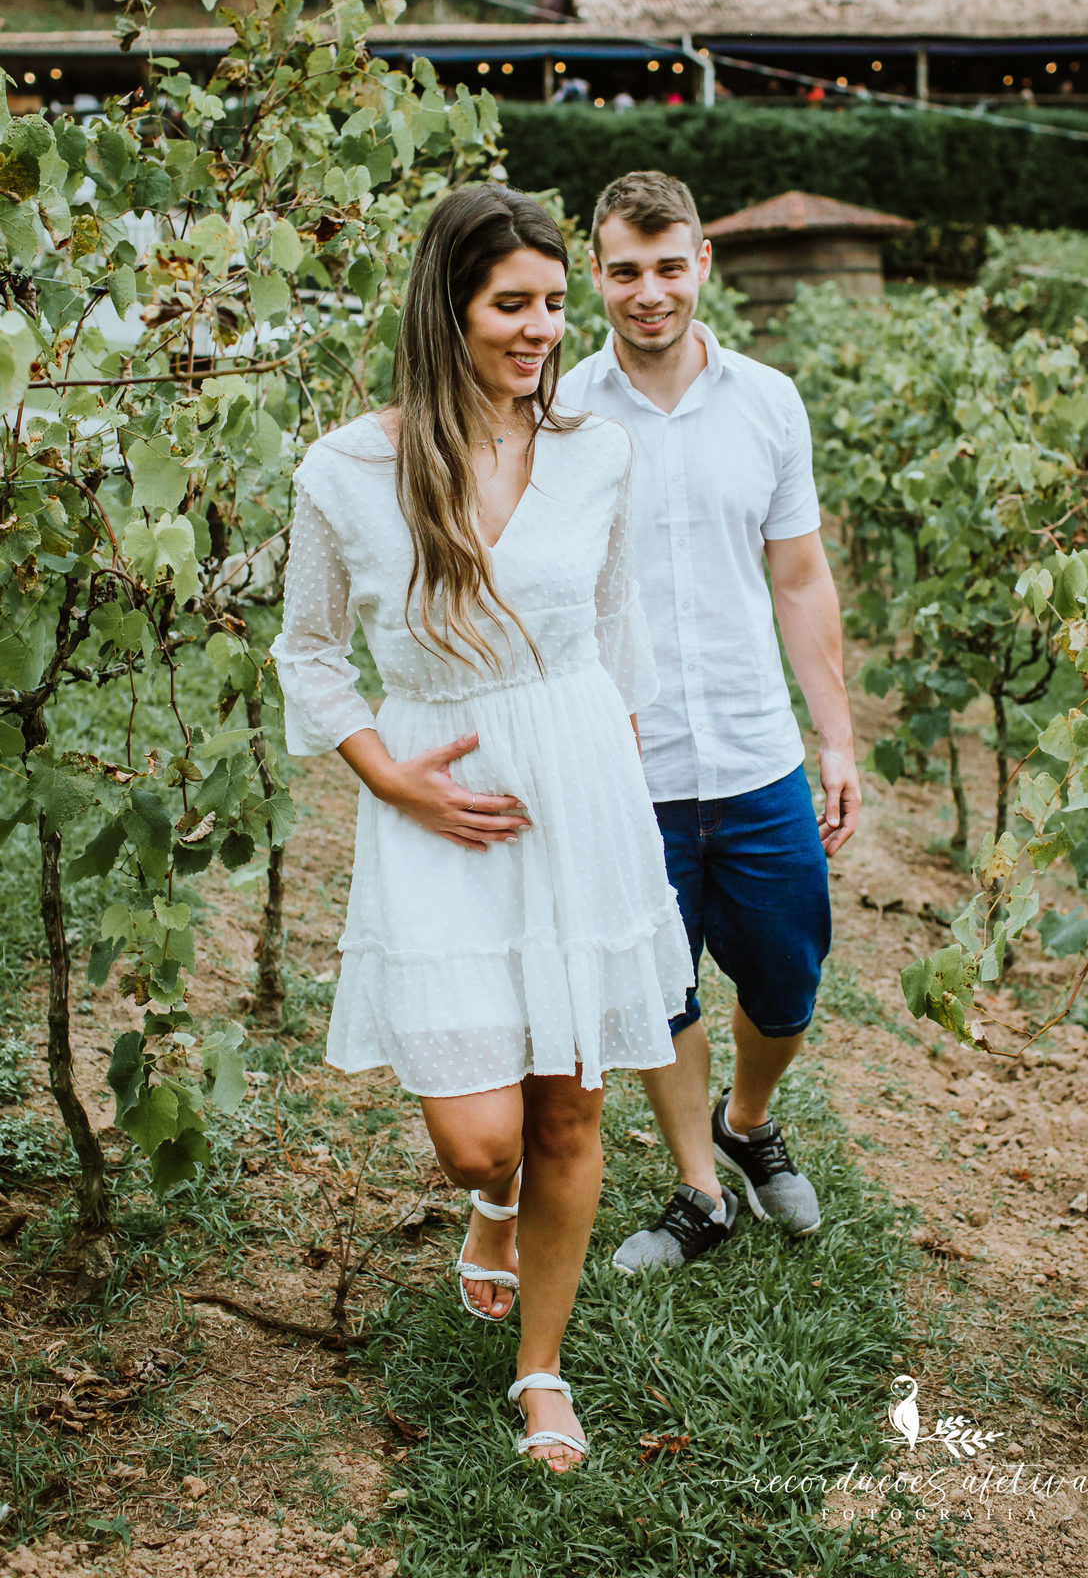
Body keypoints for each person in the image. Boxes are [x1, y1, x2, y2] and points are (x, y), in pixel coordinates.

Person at [270, 184, 693, 1467]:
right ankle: (490, 1209)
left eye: (557, 306)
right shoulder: (348, 468)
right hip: (436, 796)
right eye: (515, 304)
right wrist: (388, 777)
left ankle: (543, 1374)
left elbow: (615, 629)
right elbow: (309, 654)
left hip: (575, 787)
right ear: (447, 306)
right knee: (479, 1135)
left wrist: (611, 764)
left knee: (570, 1106)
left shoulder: (597, 452)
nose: (543, 331)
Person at [556, 171, 861, 1275]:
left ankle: (747, 1119)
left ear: (703, 265)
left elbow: (800, 576)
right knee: (656, 986)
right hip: (624, 768)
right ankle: (700, 1191)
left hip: (754, 751)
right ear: (596, 273)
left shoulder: (770, 402)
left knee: (787, 981)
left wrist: (835, 736)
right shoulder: (560, 408)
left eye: (668, 266)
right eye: (625, 271)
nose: (649, 293)